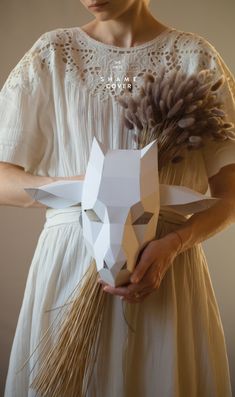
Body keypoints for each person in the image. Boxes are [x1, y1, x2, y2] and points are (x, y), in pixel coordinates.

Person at [1, 0, 235, 395]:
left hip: (166, 271)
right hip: (71, 269)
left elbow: (231, 196)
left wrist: (174, 245)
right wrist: (87, 185)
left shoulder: (198, 59)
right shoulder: (52, 55)